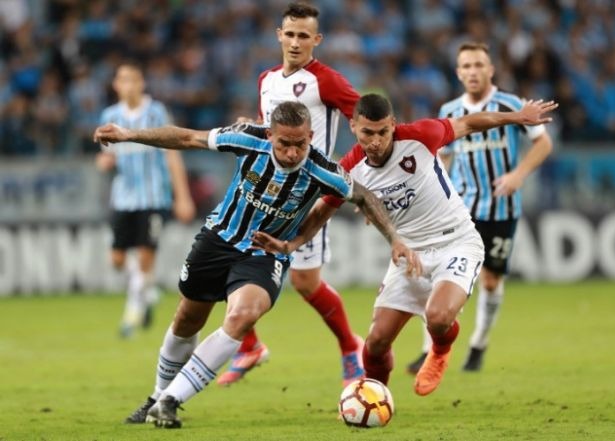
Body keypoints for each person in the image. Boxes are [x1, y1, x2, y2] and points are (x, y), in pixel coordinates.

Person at [93, 101, 419, 428]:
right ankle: (157, 396)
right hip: (218, 240)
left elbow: (364, 197)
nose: (293, 153)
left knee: (242, 315)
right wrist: (128, 134)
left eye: (300, 144)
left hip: (265, 255)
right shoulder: (246, 138)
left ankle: (170, 400)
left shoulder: (323, 170)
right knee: (187, 320)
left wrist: (395, 238)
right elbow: (188, 138)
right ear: (270, 134)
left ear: (311, 136)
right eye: (284, 144)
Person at [251, 93, 557, 396]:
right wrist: (293, 243)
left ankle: (439, 350)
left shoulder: (421, 136)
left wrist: (517, 117)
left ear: (393, 125)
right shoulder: (348, 169)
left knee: (438, 318)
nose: (376, 141)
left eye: (383, 132)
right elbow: (323, 210)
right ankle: (374, 398)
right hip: (408, 254)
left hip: (456, 241)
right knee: (375, 343)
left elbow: (469, 123)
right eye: (368, 132)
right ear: (354, 127)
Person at [217, 2, 365, 388]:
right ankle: (249, 346)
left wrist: (345, 173)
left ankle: (351, 347)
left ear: (317, 40)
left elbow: (367, 123)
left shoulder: (327, 81)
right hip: (263, 197)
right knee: (226, 260)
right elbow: (271, 132)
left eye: (304, 36)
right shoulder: (266, 79)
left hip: (306, 200)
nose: (296, 42)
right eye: (290, 34)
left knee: (305, 283)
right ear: (279, 35)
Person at [406, 42, 554, 374]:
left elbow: (544, 143)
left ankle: (478, 345)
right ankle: (429, 349)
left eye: (478, 65)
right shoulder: (449, 111)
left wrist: (518, 174)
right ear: (459, 73)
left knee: (490, 281)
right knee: (438, 279)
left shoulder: (511, 104)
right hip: (459, 211)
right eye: (466, 66)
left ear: (490, 70)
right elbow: (439, 158)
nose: (473, 71)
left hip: (502, 209)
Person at [95, 62, 195, 338]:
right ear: (116, 84)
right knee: (116, 259)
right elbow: (109, 154)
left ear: (142, 83)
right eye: (123, 80)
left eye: (133, 79)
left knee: (145, 256)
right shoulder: (110, 115)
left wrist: (182, 196)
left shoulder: (156, 112)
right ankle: (146, 291)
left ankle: (133, 313)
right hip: (123, 198)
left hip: (154, 198)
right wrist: (104, 160)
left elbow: (173, 155)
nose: (128, 85)